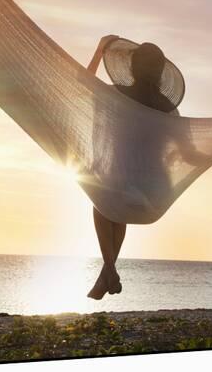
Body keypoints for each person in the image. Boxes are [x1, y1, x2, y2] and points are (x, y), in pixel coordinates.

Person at [86, 35, 178, 300]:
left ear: (132, 68)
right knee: (118, 207)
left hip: (120, 181)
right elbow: (189, 154)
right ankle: (107, 274)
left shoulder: (117, 95)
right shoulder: (169, 110)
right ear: (160, 74)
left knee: (101, 196)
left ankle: (110, 270)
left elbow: (81, 83)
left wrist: (100, 48)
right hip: (153, 189)